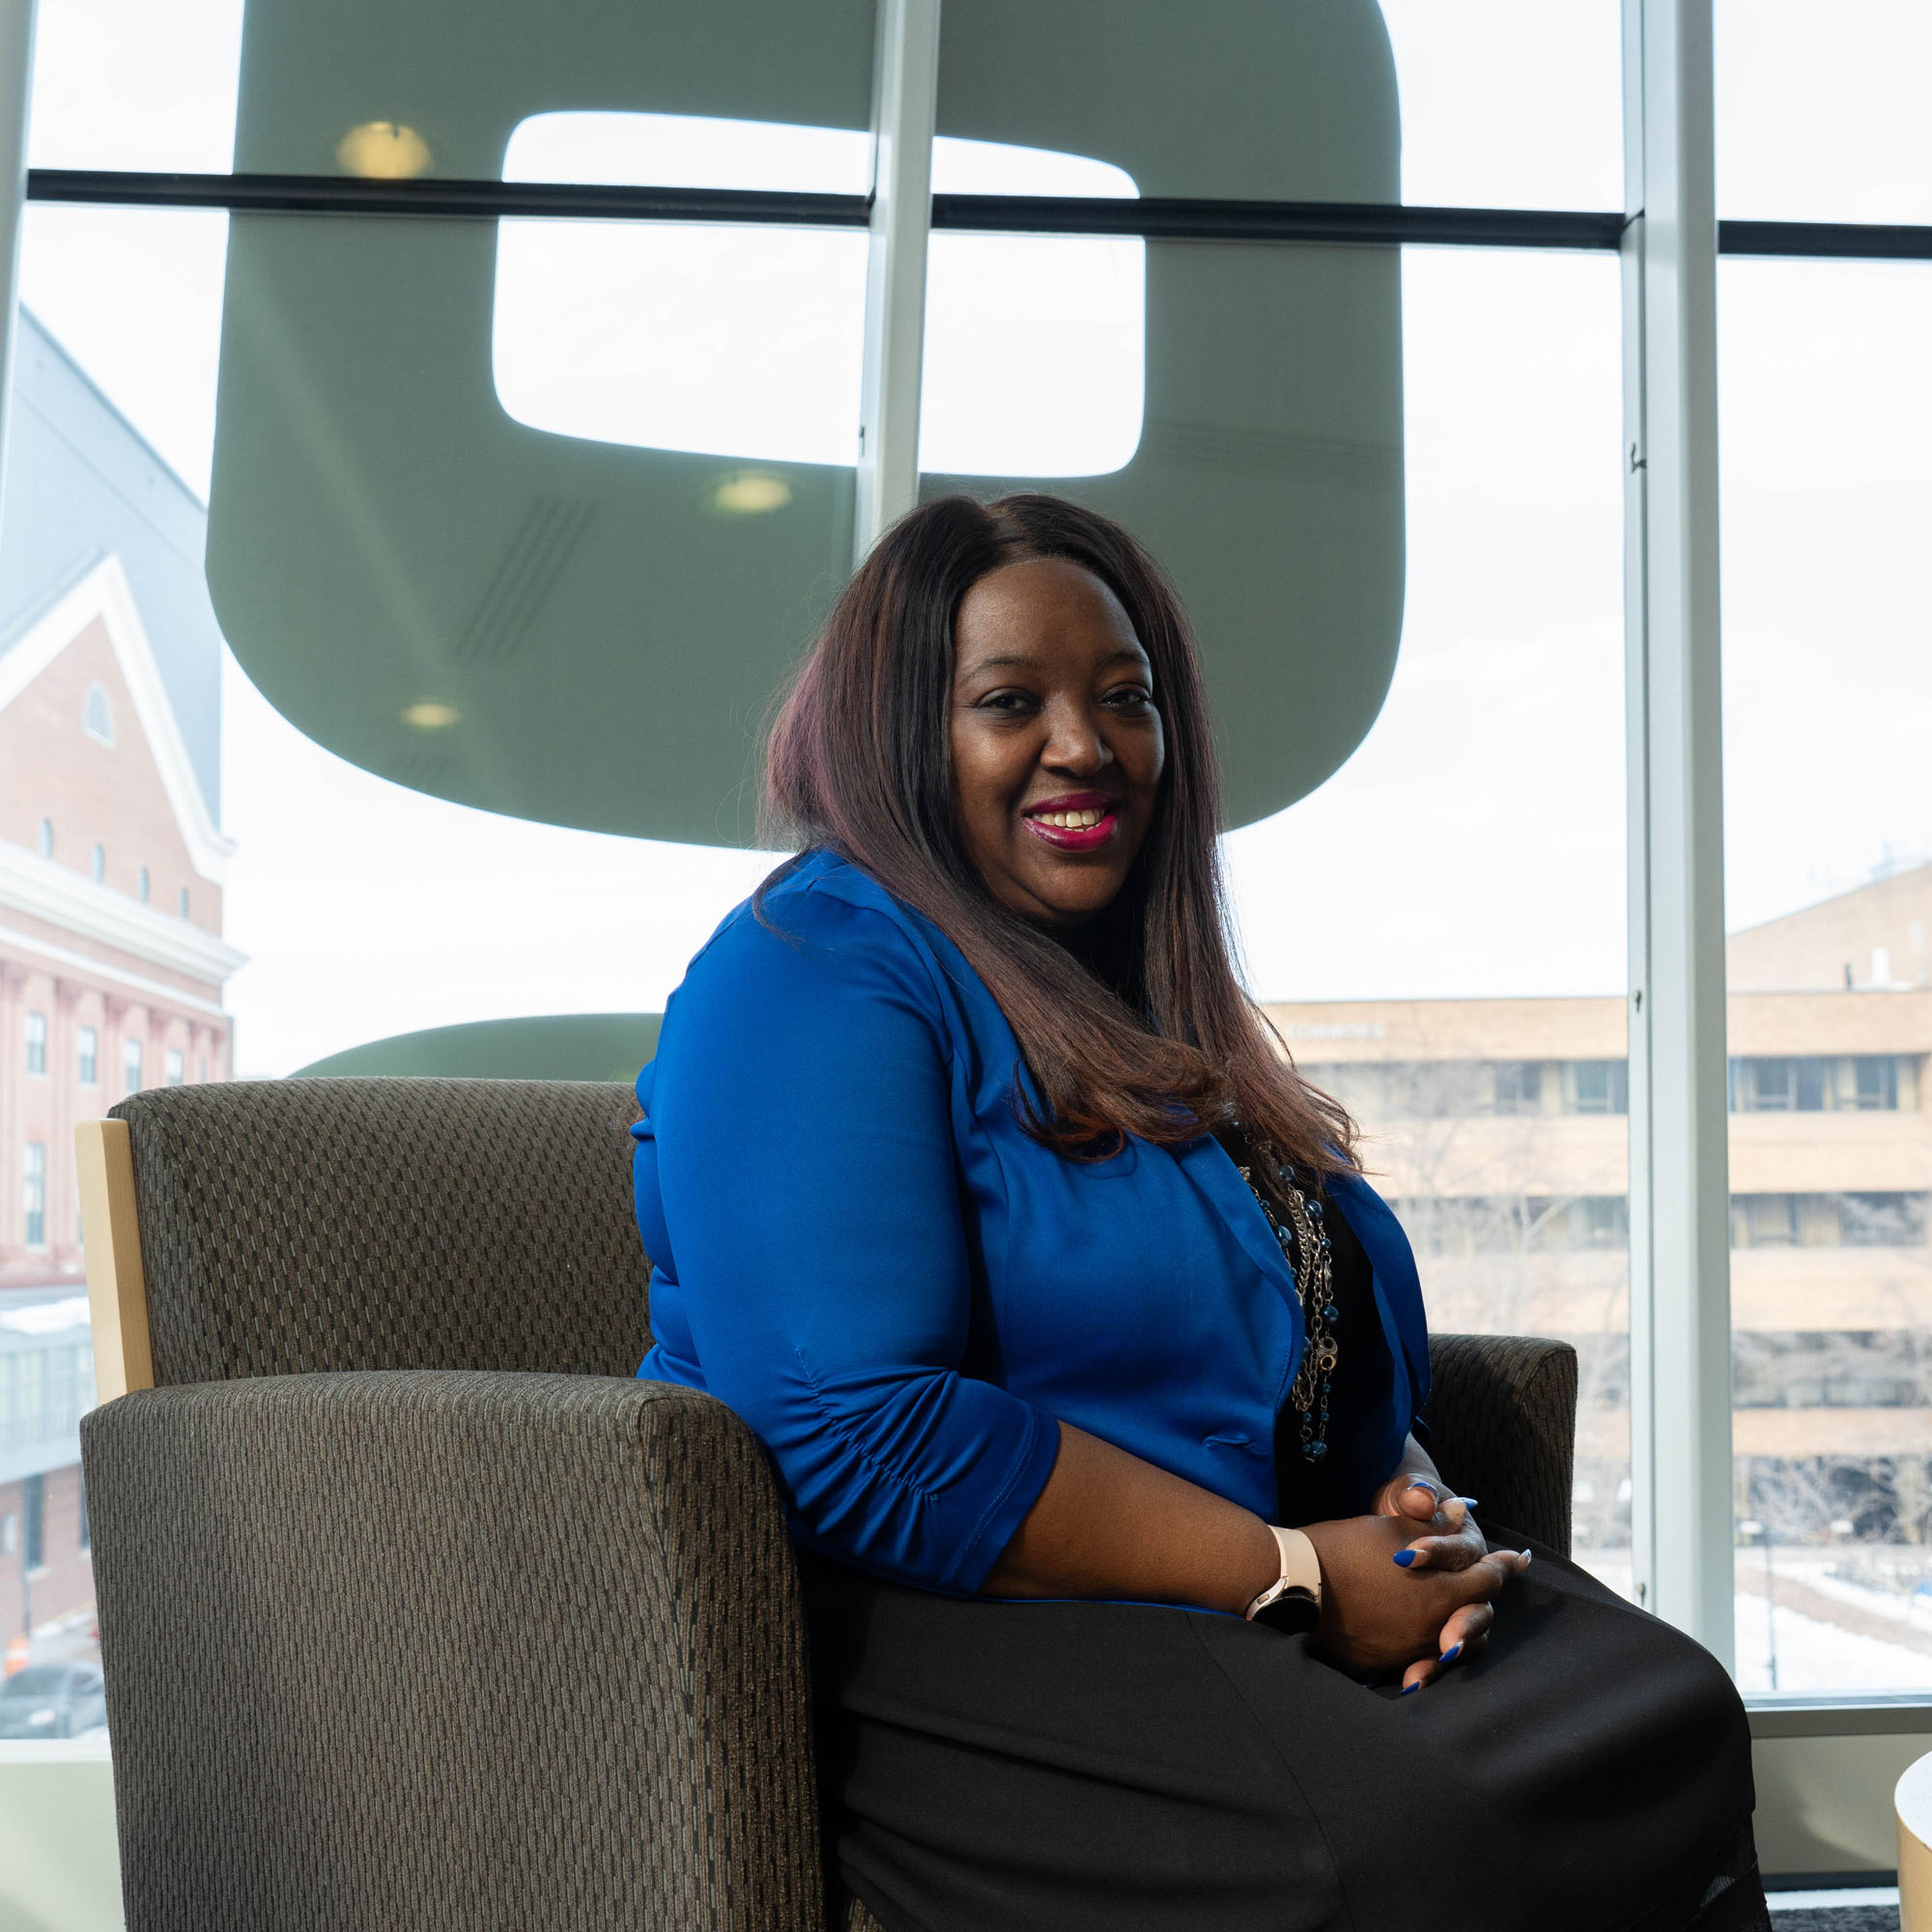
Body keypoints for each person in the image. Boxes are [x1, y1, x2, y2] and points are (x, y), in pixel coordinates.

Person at [632, 494, 1766, 1932]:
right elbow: (856, 1427)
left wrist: (1416, 1516)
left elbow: (1296, 1323)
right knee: (1411, 1843)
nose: (1084, 745)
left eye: (1125, 700)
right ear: (898, 734)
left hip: (1255, 1580)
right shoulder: (806, 972)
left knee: (1668, 1715)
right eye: (1008, 702)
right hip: (965, 1621)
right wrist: (1295, 1577)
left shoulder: (1140, 1002)